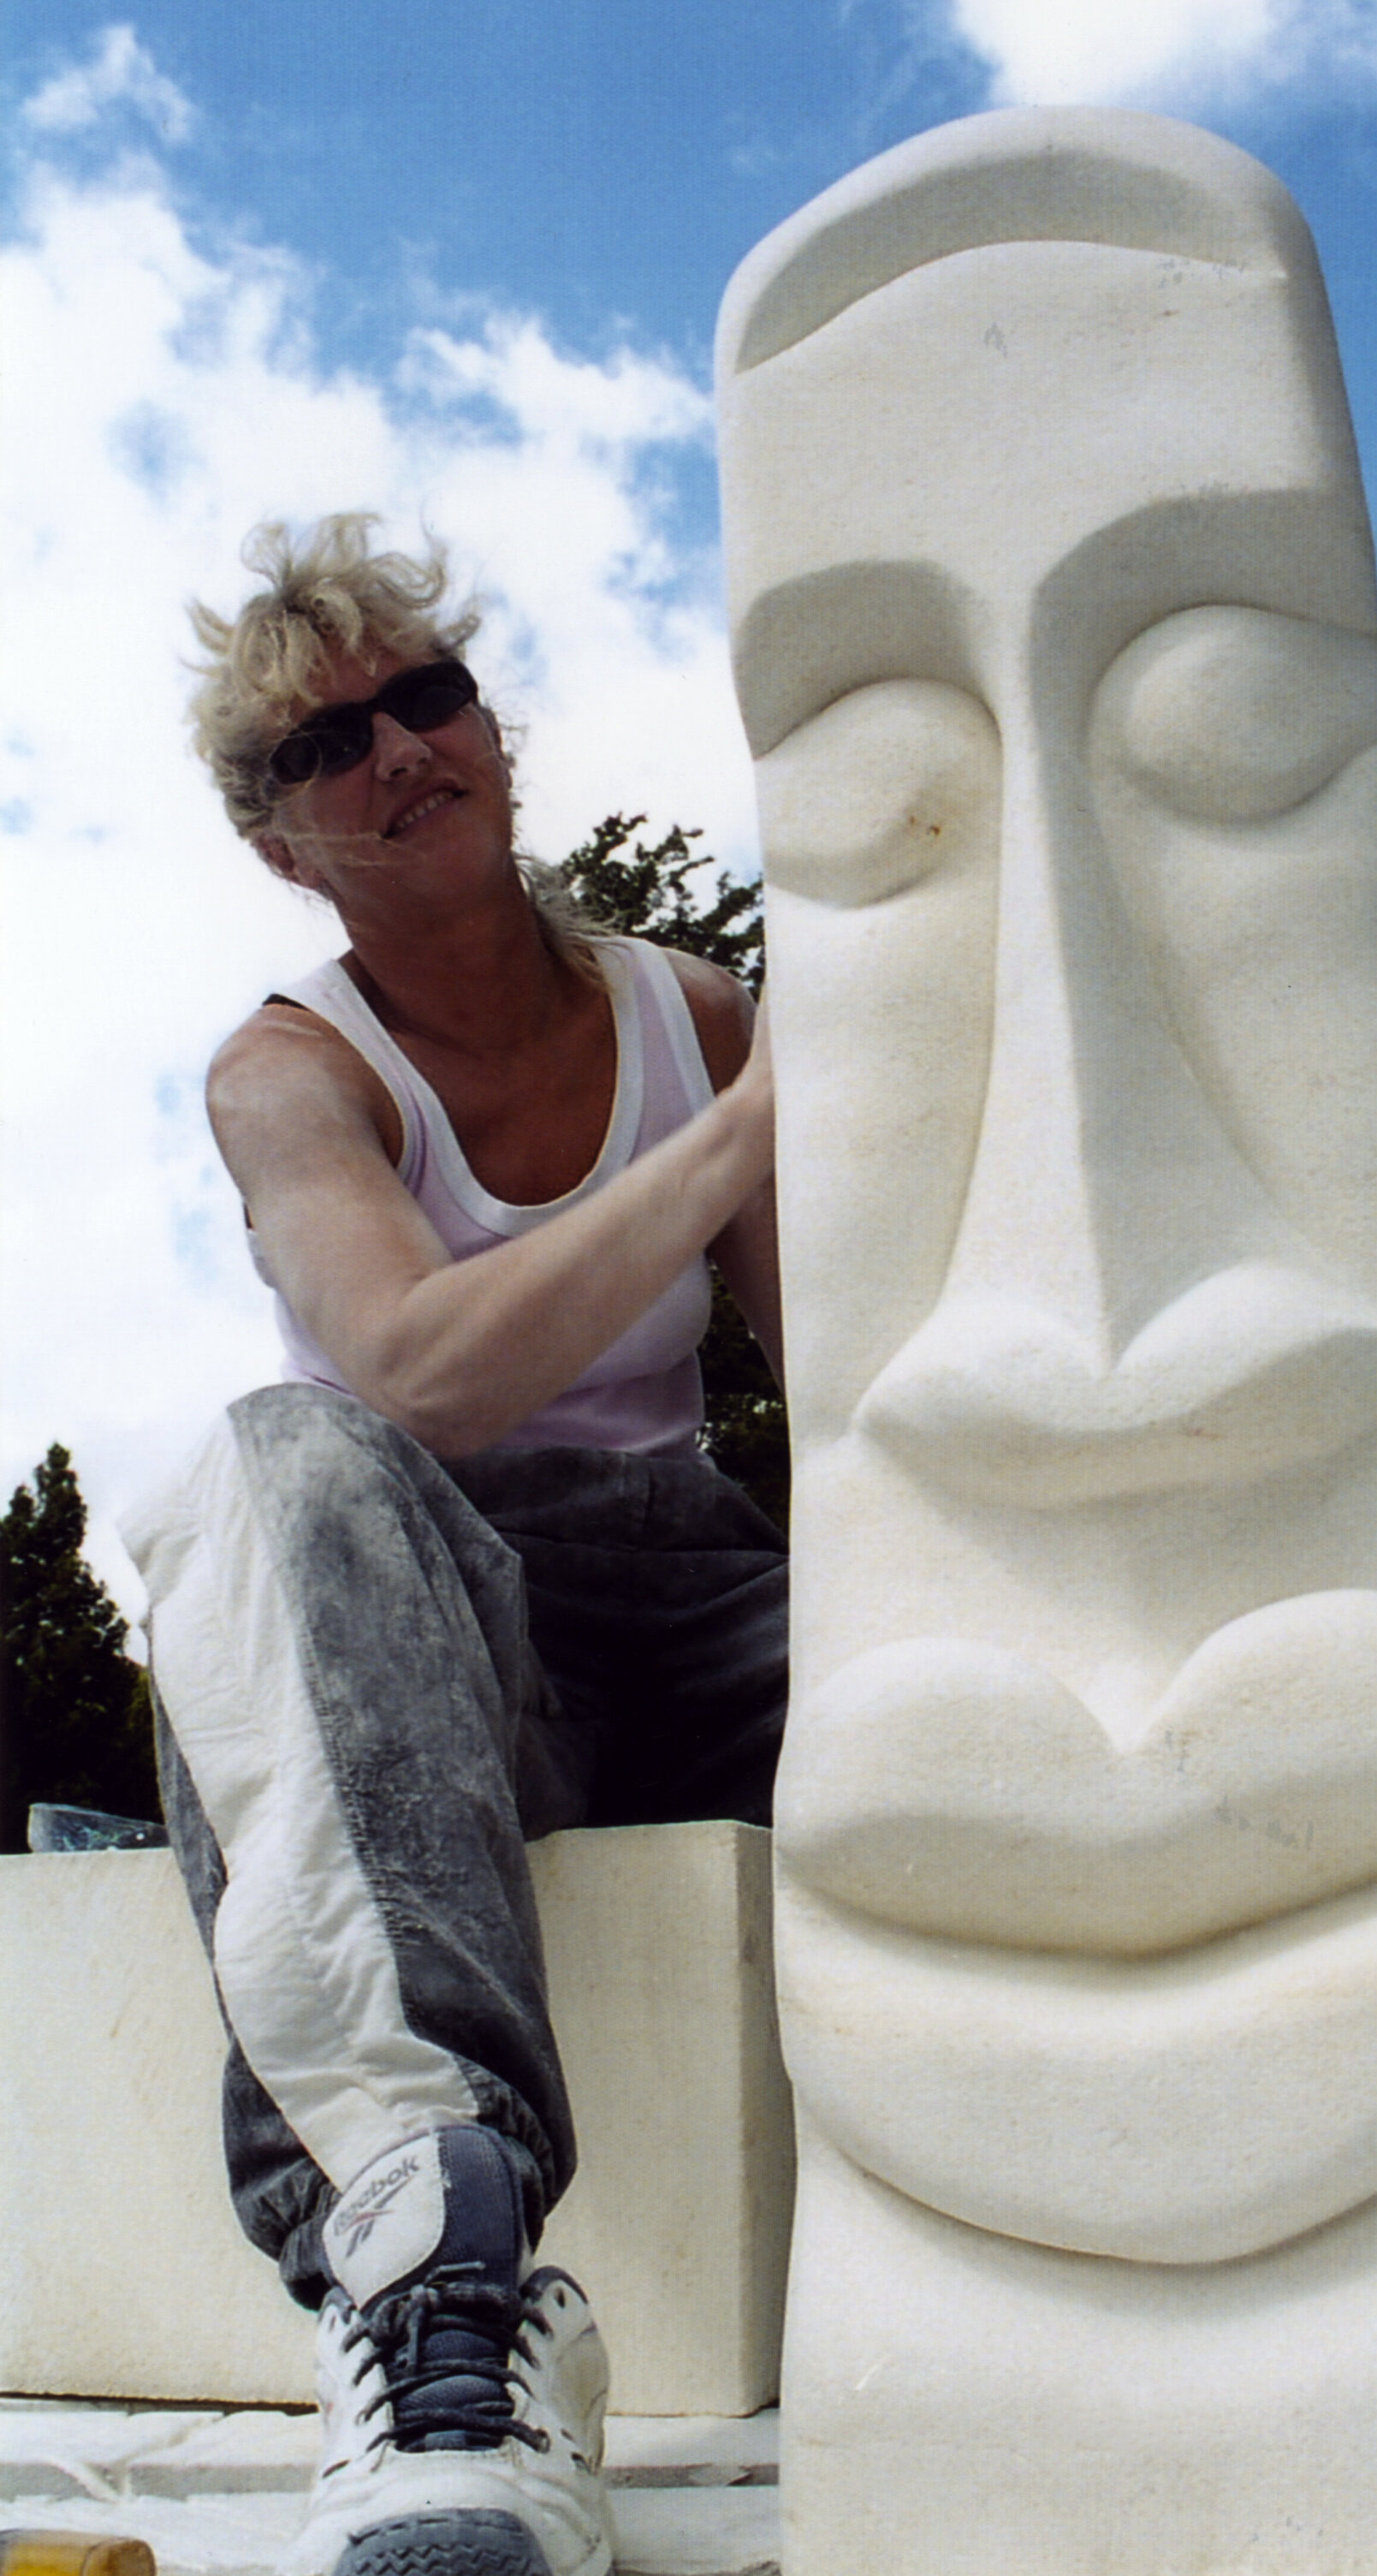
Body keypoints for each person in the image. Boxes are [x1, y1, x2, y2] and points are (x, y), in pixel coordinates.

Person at [120, 514, 787, 2576]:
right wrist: (747, 1131)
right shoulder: (291, 1069)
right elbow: (413, 1371)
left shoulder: (699, 1011)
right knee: (271, 1461)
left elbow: (839, 1381)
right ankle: (439, 2290)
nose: (399, 749)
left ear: (487, 725)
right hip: (446, 1632)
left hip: (706, 1599)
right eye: (331, 744)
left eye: (426, 698)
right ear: (280, 840)